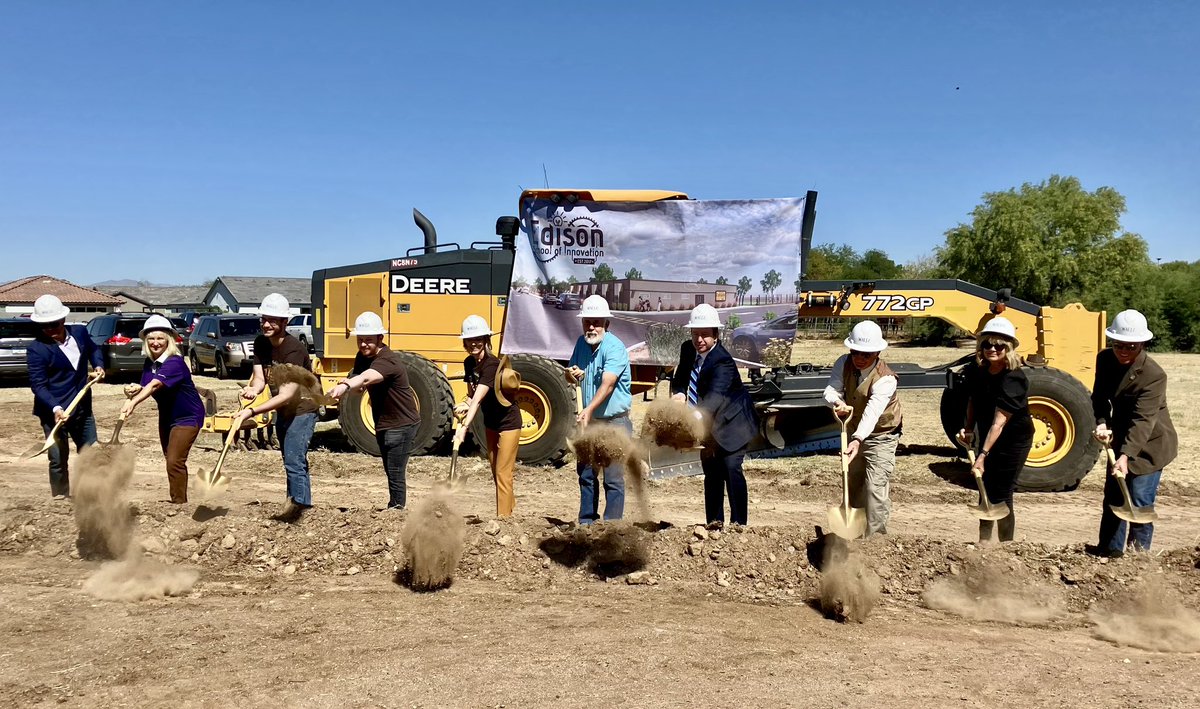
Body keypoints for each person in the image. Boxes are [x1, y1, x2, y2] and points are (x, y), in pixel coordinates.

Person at [1089, 310, 1177, 557]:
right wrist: (1102, 422)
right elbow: (1099, 398)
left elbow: (1143, 420)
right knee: (1115, 497)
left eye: (1130, 346)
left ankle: (1138, 561)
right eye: (1118, 345)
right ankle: (1110, 553)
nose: (1123, 351)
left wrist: (1125, 456)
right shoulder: (1105, 360)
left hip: (1151, 443)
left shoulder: (1154, 375)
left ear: (1141, 344)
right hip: (1121, 435)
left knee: (1138, 500)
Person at [670, 304, 757, 528]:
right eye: (695, 334)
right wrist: (679, 394)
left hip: (733, 425)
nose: (699, 339)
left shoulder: (723, 361)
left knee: (730, 469)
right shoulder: (688, 349)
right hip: (708, 426)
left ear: (716, 335)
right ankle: (714, 523)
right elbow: (680, 379)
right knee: (712, 474)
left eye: (705, 335)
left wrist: (693, 421)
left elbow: (714, 399)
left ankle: (739, 524)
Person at [233, 293, 317, 520]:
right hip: (284, 410)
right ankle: (296, 504)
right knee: (292, 460)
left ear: (284, 322)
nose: (267, 324)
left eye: (273, 320)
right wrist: (253, 390)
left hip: (302, 409)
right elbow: (260, 378)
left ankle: (298, 512)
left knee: (294, 460)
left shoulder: (294, 350)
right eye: (264, 319)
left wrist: (251, 411)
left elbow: (287, 395)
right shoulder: (261, 343)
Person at [329, 311, 420, 510]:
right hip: (383, 422)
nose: (363, 345)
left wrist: (347, 386)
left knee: (395, 471)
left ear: (380, 338)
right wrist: (348, 388)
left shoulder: (388, 360)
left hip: (402, 423)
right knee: (390, 469)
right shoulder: (361, 358)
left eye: (368, 340)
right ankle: (395, 507)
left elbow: (368, 377)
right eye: (360, 340)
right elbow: (361, 387)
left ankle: (396, 510)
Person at [822, 320, 902, 537]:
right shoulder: (843, 363)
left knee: (875, 488)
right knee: (852, 482)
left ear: (877, 352)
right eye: (855, 351)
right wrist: (837, 402)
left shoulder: (886, 379)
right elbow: (831, 389)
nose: (859, 358)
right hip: (854, 430)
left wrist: (857, 440)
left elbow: (872, 412)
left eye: (865, 354)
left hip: (882, 436)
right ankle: (853, 532)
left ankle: (876, 539)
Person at [959, 316, 1033, 543]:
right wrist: (968, 428)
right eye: (987, 344)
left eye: (999, 345)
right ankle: (983, 542)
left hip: (1014, 440)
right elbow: (973, 400)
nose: (992, 349)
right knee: (985, 489)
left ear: (1008, 348)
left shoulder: (1014, 378)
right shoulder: (977, 371)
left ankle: (1005, 547)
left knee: (1001, 492)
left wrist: (982, 455)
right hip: (991, 435)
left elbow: (999, 422)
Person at [120, 315, 206, 504]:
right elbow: (146, 386)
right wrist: (135, 390)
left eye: (160, 338)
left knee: (174, 461)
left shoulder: (175, 362)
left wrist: (133, 403)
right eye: (151, 338)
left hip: (188, 416)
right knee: (171, 459)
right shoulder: (150, 364)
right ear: (145, 341)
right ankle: (178, 499)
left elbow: (155, 385)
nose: (155, 343)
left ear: (169, 339)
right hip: (167, 416)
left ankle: (179, 504)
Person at [26, 294, 105, 498]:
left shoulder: (79, 332)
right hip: (54, 413)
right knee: (58, 458)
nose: (50, 330)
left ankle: (92, 498)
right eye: (44, 326)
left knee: (90, 455)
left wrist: (98, 365)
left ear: (63, 320)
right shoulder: (36, 349)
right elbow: (39, 385)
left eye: (53, 325)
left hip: (82, 409)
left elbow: (94, 349)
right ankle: (60, 500)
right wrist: (56, 407)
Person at [565, 294, 632, 524]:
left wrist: (589, 409)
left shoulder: (615, 347)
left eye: (596, 322)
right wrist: (571, 373)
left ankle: (612, 528)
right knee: (586, 475)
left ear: (607, 324)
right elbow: (570, 372)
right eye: (587, 322)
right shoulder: (580, 343)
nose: (591, 327)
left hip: (614, 423)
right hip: (590, 421)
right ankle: (586, 523)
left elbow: (608, 383)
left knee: (613, 478)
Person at [452, 315, 522, 517]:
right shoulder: (468, 363)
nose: (474, 343)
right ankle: (509, 509)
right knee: (496, 471)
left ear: (486, 340)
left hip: (509, 423)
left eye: (478, 339)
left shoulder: (491, 365)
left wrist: (463, 430)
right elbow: (472, 395)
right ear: (464, 342)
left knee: (503, 472)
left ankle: (503, 519)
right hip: (491, 423)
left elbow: (478, 399)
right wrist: (463, 404)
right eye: (470, 340)